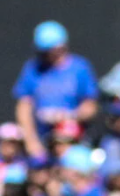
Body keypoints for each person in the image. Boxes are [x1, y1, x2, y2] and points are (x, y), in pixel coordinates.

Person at [12, 21, 99, 156]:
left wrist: (69, 116)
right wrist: (31, 142)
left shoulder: (80, 68)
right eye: (44, 52)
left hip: (74, 141)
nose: (49, 56)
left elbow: (90, 106)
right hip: (43, 141)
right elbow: (24, 106)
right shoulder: (33, 69)